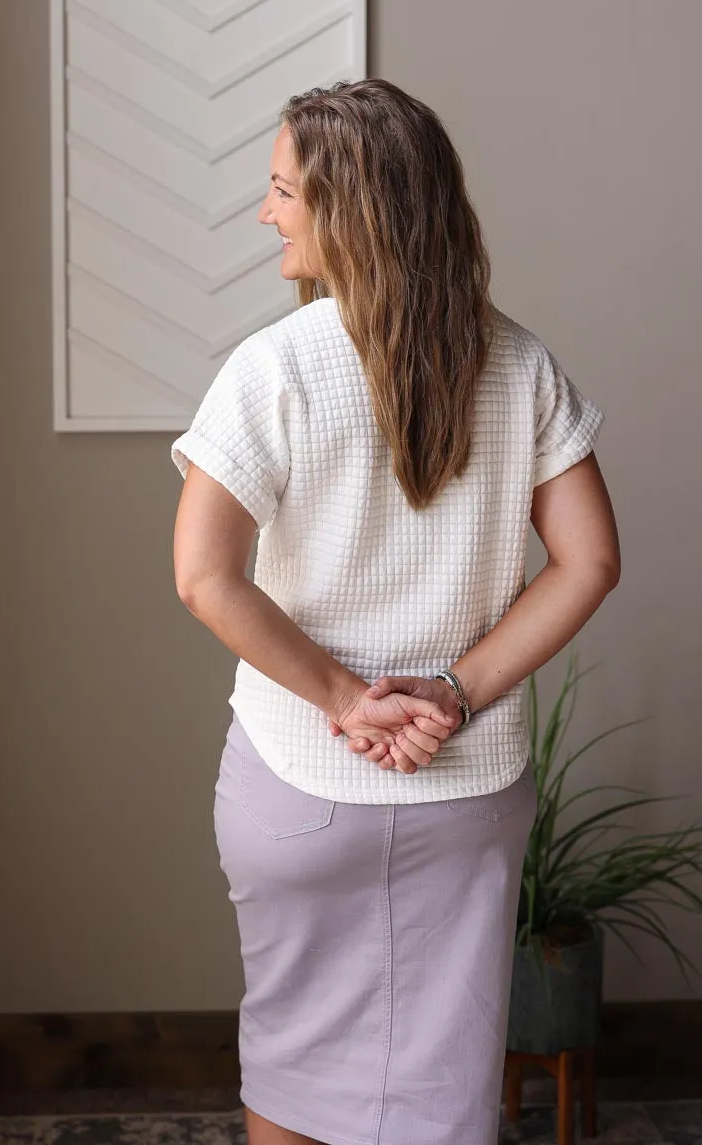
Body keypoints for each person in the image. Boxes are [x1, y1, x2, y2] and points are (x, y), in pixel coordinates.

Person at [171, 79, 620, 1145]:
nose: (267, 211)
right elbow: (590, 561)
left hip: (296, 785)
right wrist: (453, 694)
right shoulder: (521, 365)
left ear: (345, 213)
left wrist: (342, 700)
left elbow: (204, 577)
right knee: (444, 1083)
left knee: (290, 1063)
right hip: (465, 795)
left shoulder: (270, 372)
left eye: (284, 190)